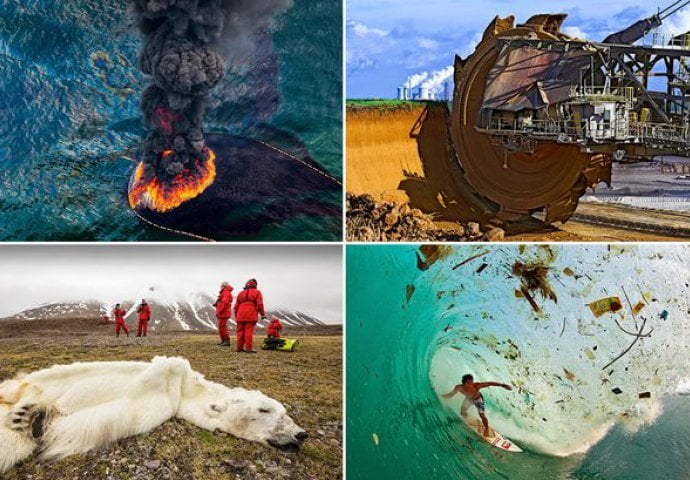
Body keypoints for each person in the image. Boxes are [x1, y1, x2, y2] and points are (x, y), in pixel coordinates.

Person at [443, 374, 512, 437]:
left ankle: (487, 429)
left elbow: (490, 383)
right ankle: (468, 419)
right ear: (468, 381)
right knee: (462, 412)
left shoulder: (476, 385)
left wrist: (503, 385)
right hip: (469, 399)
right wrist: (442, 396)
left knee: (482, 415)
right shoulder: (458, 387)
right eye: (472, 381)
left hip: (478, 399)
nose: (473, 382)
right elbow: (451, 394)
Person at [233, 278, 265, 353]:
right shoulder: (257, 292)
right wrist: (262, 314)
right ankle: (249, 349)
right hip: (251, 314)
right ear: (255, 285)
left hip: (240, 315)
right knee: (248, 332)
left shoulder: (240, 293)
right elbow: (260, 304)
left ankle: (239, 348)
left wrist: (237, 316)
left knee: (240, 332)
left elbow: (235, 307)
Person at [214, 282, 233, 347]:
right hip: (222, 313)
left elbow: (225, 302)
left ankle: (227, 341)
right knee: (221, 327)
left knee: (223, 327)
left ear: (224, 286)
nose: (220, 287)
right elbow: (222, 301)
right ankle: (223, 341)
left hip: (223, 312)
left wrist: (220, 310)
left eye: (221, 286)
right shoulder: (224, 292)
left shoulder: (226, 292)